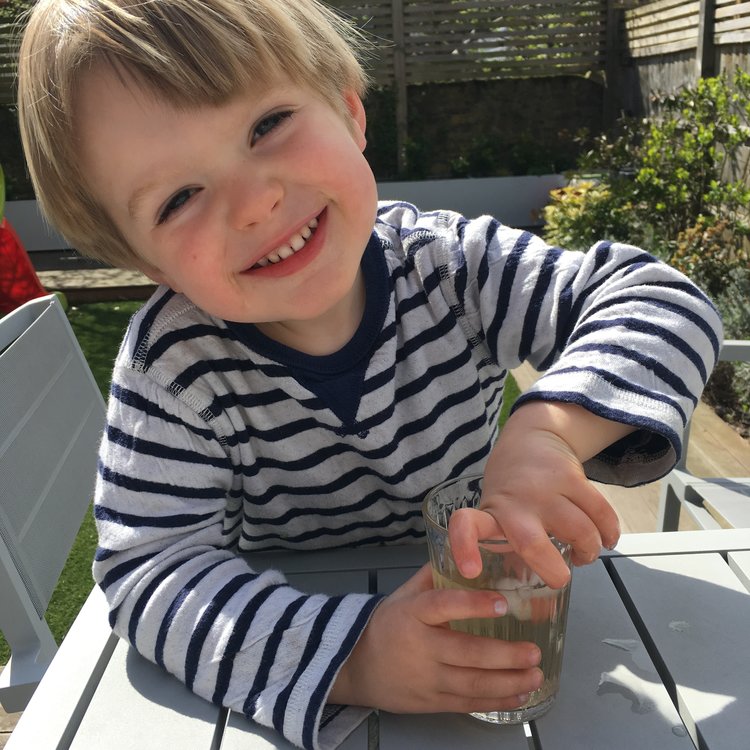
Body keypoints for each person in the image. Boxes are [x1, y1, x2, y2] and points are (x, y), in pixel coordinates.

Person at [17, 1, 722, 748]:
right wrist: (356, 655)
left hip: (500, 621)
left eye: (266, 126)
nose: (256, 204)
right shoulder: (174, 368)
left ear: (350, 113)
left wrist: (549, 435)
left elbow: (659, 299)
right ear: (150, 264)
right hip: (298, 661)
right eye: (179, 198)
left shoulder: (453, 267)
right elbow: (150, 574)